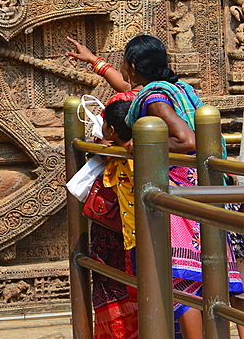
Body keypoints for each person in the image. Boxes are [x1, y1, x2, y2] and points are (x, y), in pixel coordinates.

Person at [70, 34, 244, 339]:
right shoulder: (178, 89)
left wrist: (142, 144)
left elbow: (186, 139)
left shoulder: (155, 98)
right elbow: (131, 91)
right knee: (219, 279)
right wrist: (95, 63)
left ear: (133, 65)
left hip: (178, 196)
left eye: (124, 61)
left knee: (182, 280)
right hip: (206, 189)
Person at [90, 97, 138, 339]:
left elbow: (107, 179)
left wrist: (104, 148)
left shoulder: (123, 157)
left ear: (110, 130)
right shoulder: (135, 149)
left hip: (132, 235)